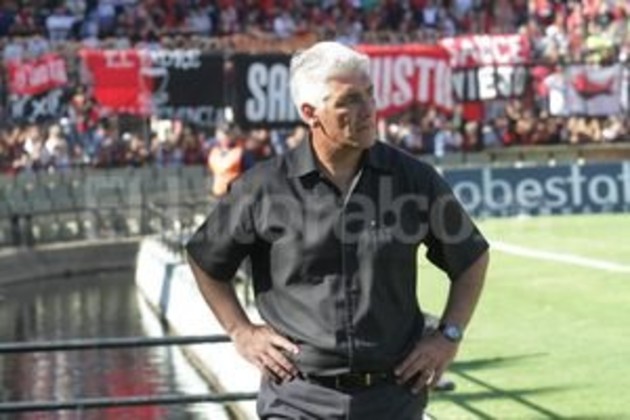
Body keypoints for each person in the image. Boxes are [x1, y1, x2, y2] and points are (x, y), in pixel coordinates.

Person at [186, 41, 489, 419]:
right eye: (350, 101)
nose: (369, 110)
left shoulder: (414, 179)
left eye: (370, 94)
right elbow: (205, 259)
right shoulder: (262, 187)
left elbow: (471, 258)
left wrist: (449, 336)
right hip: (296, 398)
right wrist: (240, 331)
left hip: (393, 398)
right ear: (310, 113)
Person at [207, 123, 253, 197]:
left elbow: (251, 175)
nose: (225, 137)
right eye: (223, 134)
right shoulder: (213, 152)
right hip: (216, 194)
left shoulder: (242, 153)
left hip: (235, 196)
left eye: (228, 134)